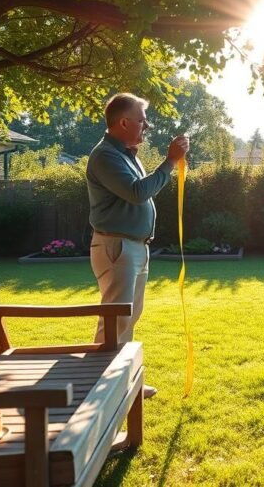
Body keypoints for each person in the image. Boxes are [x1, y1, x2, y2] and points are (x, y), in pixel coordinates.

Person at [86, 92, 189, 399]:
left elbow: (140, 192)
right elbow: (137, 192)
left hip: (132, 247)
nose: (147, 126)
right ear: (124, 122)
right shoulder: (105, 156)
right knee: (115, 319)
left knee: (128, 318)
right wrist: (170, 160)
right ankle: (100, 387)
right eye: (143, 120)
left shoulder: (126, 155)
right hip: (117, 247)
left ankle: (124, 381)